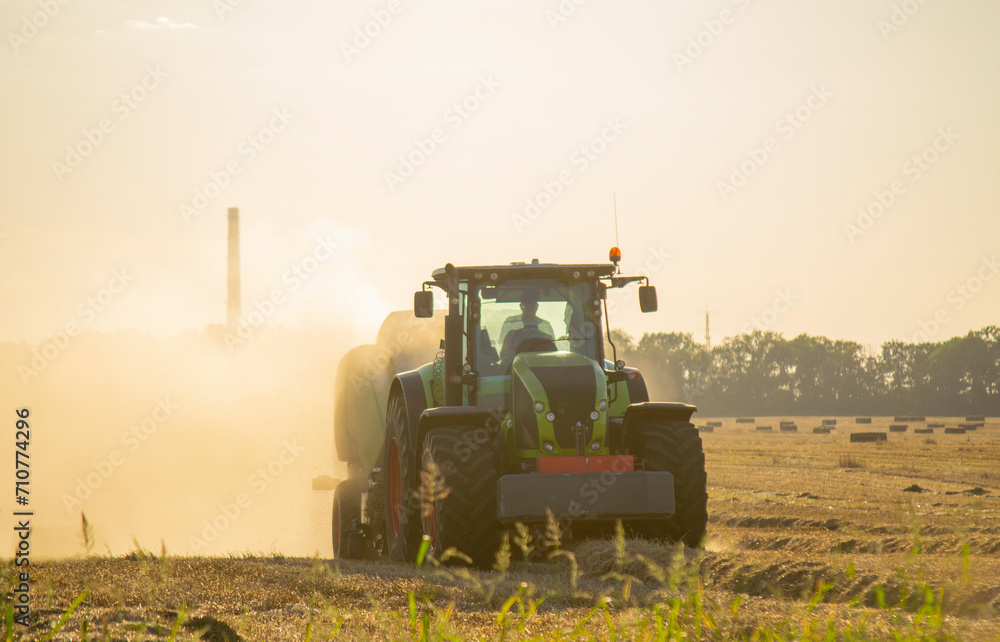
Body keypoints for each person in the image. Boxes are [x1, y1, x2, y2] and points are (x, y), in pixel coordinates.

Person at [498, 292, 554, 366]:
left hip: (541, 367)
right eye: (526, 305)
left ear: (537, 306)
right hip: (514, 367)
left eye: (532, 304)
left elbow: (552, 354)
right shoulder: (511, 323)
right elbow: (504, 353)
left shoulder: (545, 326)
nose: (529, 308)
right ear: (521, 306)